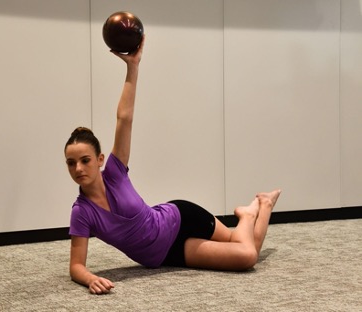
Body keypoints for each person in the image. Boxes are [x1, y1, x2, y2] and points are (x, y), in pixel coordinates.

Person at [64, 36, 281, 295]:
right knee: (248, 253)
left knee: (245, 253)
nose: (78, 168)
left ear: (99, 160)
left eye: (85, 160)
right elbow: (76, 265)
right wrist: (89, 278)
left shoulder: (114, 172)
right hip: (167, 255)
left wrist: (132, 68)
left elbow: (124, 118)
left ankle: (247, 214)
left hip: (179, 219)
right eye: (71, 163)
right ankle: (263, 204)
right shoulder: (82, 212)